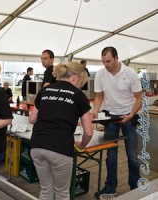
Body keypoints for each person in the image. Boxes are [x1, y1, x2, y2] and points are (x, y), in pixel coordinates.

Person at [29, 61, 93, 200]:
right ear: (76, 77)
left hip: (37, 145)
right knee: (62, 193)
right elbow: (88, 132)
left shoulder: (44, 91)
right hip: (61, 147)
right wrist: (81, 146)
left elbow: (32, 119)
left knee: (46, 190)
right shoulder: (79, 96)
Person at [93, 47, 142, 199]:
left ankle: (135, 188)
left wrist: (132, 114)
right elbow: (99, 96)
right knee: (111, 154)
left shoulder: (130, 73)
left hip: (128, 116)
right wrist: (95, 109)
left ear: (116, 58)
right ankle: (110, 188)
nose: (106, 64)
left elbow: (139, 98)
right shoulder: (100, 74)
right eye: (103, 62)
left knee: (132, 155)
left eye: (108, 61)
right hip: (110, 117)